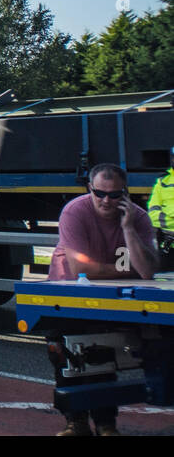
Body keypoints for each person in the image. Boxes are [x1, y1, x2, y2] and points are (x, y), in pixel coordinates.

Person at [47, 163, 158, 436]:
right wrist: (128, 270)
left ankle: (107, 423)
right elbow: (83, 270)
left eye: (114, 195)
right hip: (68, 291)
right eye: (100, 193)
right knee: (68, 353)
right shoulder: (75, 211)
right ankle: (76, 422)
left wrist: (128, 229)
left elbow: (148, 271)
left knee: (104, 353)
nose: (106, 200)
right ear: (90, 189)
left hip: (109, 295)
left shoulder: (139, 218)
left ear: (125, 194)